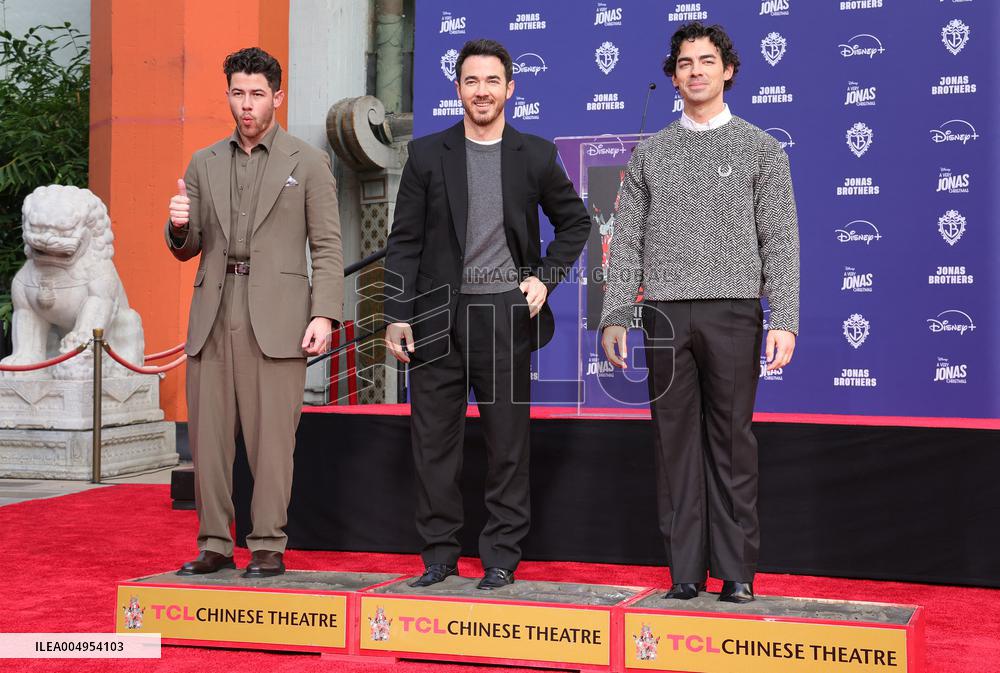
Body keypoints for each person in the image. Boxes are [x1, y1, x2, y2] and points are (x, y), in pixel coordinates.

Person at [600, 22, 799, 604]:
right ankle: (684, 571)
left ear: (728, 70)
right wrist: (616, 313)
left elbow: (780, 241)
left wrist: (782, 316)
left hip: (735, 312)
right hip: (662, 315)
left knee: (733, 444)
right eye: (684, 63)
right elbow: (627, 239)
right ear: (673, 75)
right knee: (673, 444)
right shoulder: (651, 152)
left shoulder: (762, 147)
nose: (695, 71)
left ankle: (736, 571)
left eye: (706, 61)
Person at [383, 38, 590, 590]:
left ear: (510, 89)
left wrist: (543, 278)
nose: (482, 91)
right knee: (434, 446)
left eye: (492, 81)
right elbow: (403, 242)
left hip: (504, 316)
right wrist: (396, 314)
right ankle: (439, 554)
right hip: (434, 318)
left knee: (507, 444)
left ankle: (501, 553)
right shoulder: (427, 155)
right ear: (457, 89)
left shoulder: (536, 155)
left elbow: (576, 223)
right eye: (471, 81)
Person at [166, 47, 343, 578]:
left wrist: (324, 315)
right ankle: (215, 543)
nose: (247, 106)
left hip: (281, 313)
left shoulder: (308, 162)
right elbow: (188, 245)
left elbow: (329, 247)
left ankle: (267, 543)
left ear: (277, 97)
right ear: (228, 95)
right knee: (210, 439)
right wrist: (177, 225)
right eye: (238, 94)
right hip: (214, 311)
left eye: (257, 95)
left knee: (272, 441)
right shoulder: (204, 161)